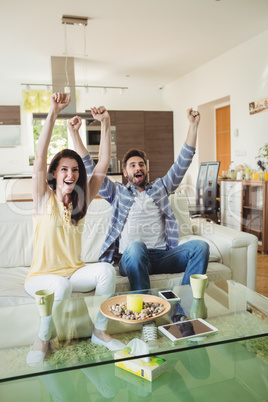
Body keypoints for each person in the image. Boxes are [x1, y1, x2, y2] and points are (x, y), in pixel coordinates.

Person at [25, 93, 125, 367]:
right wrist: (54, 112)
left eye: (75, 170)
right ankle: (43, 338)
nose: (71, 175)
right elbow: (41, 153)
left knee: (106, 270)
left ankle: (99, 332)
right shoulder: (43, 199)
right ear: (55, 174)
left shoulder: (81, 202)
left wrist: (106, 123)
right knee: (60, 285)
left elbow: (102, 164)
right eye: (64, 170)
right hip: (41, 277)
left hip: (74, 272)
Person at [71, 108, 209, 293]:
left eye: (142, 164)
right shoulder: (117, 192)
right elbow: (91, 168)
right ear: (125, 172)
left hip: (162, 256)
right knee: (137, 246)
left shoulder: (161, 187)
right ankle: (145, 313)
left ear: (147, 170)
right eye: (133, 165)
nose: (138, 168)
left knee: (200, 247)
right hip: (132, 258)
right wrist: (75, 135)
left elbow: (182, 162)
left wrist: (193, 125)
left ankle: (183, 304)